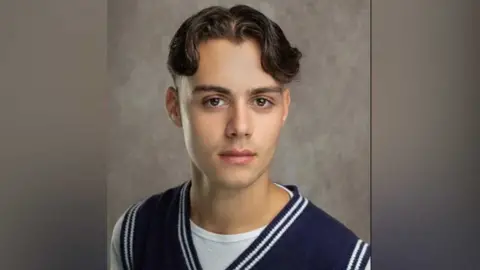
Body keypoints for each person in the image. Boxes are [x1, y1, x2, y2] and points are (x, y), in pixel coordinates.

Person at [110, 4, 371, 270]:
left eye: (261, 101)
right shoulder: (135, 236)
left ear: (285, 108)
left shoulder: (345, 260)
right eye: (214, 101)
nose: (240, 127)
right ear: (174, 107)